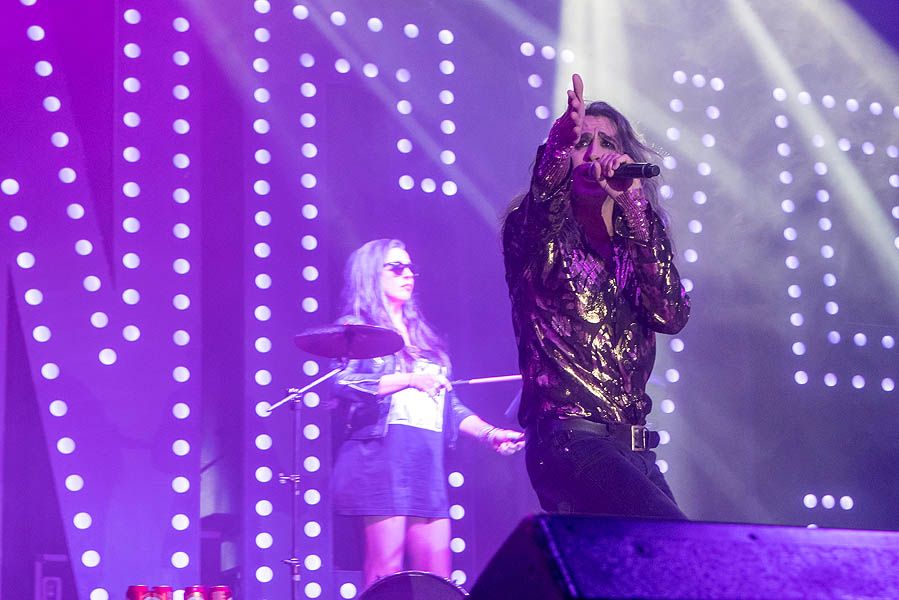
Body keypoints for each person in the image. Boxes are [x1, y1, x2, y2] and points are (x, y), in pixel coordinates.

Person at [502, 74, 690, 519]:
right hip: (570, 441)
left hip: (633, 449)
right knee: (674, 544)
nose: (593, 154)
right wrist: (556, 148)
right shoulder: (535, 234)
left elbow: (670, 314)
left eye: (606, 143)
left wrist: (637, 212)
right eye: (581, 142)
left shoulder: (636, 238)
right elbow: (542, 205)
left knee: (660, 559)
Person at [331, 239, 525, 588]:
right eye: (396, 267)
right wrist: (409, 379)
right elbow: (345, 383)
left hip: (425, 460)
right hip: (382, 458)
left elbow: (449, 404)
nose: (408, 274)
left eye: (410, 268)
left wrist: (489, 433)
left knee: (437, 577)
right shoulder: (357, 329)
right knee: (385, 572)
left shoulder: (424, 336)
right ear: (371, 273)